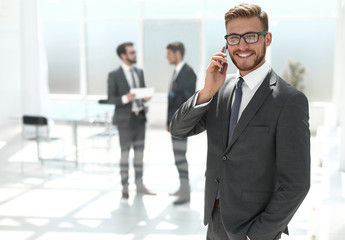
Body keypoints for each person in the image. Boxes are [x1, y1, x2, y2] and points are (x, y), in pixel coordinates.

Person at [170, 3, 310, 240]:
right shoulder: (220, 90)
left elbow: (296, 184)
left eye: (251, 36)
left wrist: (257, 235)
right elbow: (179, 128)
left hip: (253, 228)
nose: (242, 45)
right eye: (234, 38)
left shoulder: (289, 100)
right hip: (215, 223)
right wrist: (207, 90)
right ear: (226, 43)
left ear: (267, 39)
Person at [107, 42, 156, 199]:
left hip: (139, 119)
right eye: (131, 52)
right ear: (123, 55)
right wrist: (125, 98)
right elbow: (110, 99)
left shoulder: (139, 72)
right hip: (124, 121)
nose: (135, 55)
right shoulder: (114, 75)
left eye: (134, 52)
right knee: (125, 154)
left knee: (139, 155)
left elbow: (142, 92)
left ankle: (140, 185)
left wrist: (145, 98)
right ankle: (125, 187)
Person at [166, 42, 197, 205]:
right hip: (174, 122)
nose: (167, 57)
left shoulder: (188, 73)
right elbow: (170, 99)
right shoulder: (176, 72)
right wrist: (168, 121)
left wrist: (175, 93)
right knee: (177, 157)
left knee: (180, 156)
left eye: (169, 53)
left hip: (182, 123)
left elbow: (188, 99)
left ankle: (186, 193)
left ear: (178, 53)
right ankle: (182, 187)